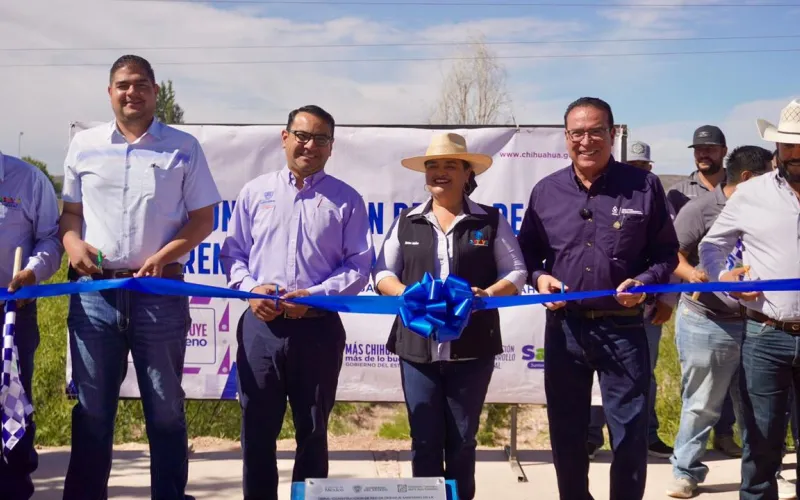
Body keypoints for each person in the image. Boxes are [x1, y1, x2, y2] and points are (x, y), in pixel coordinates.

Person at [59, 54, 221, 499]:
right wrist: (72, 244)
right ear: (110, 92)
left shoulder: (183, 146)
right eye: (123, 85)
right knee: (93, 412)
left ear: (155, 90)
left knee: (165, 410)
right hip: (96, 294)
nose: (132, 92)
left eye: (141, 84)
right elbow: (70, 214)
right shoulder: (85, 145)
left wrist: (165, 256)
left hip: (159, 292)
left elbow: (203, 219)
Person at [517, 97, 679, 500]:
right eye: (577, 133)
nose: (586, 141)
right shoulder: (546, 191)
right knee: (567, 432)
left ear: (612, 134)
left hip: (624, 329)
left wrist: (645, 282)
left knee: (630, 433)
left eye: (595, 132)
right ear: (566, 137)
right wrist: (539, 278)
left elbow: (666, 254)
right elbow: (526, 254)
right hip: (565, 329)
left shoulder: (643, 186)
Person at [219, 105, 374, 500]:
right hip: (260, 328)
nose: (310, 145)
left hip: (318, 328)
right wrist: (251, 289)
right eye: (302, 136)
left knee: (313, 432)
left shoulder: (347, 199)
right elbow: (233, 254)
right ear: (285, 138)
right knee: (257, 431)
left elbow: (359, 266)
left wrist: (316, 296)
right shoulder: (255, 192)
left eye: (320, 139)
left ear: (331, 146)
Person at [372, 132, 527, 500]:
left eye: (450, 165)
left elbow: (517, 272)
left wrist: (487, 294)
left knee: (462, 439)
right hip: (416, 349)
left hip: (472, 349)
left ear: (467, 173)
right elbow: (381, 273)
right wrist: (405, 293)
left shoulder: (490, 221)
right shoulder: (406, 220)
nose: (440, 172)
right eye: (433, 166)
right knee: (424, 440)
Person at [699, 98, 800, 500]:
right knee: (760, 446)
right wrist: (724, 279)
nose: (795, 153)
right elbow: (711, 246)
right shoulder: (751, 193)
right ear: (777, 146)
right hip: (765, 336)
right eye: (789, 144)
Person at [665, 145, 773, 498]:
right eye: (770, 176)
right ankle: (686, 472)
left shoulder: (770, 210)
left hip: (759, 324)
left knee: (758, 405)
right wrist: (694, 274)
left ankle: (763, 473)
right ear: (748, 178)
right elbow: (671, 254)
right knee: (702, 403)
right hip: (707, 322)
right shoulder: (700, 209)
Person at [587, 139, 675, 460]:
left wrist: (666, 299)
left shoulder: (656, 196)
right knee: (597, 379)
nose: (638, 170)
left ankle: (646, 436)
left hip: (644, 310)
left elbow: (668, 253)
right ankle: (591, 435)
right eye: (632, 165)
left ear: (650, 168)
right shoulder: (604, 196)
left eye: (643, 166)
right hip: (597, 310)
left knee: (642, 376)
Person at [667, 125, 741, 458]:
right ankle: (687, 462)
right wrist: (690, 276)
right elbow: (671, 250)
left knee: (738, 388)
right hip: (702, 308)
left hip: (744, 309)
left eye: (709, 148)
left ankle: (725, 437)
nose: (703, 154)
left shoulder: (745, 191)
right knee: (701, 392)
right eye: (698, 149)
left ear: (724, 151)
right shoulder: (680, 194)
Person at [0, 151, 62, 499]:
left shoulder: (29, 180)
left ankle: (13, 489)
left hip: (12, 312)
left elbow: (50, 238)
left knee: (13, 402)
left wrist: (32, 272)